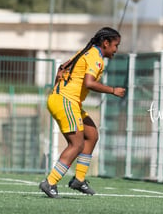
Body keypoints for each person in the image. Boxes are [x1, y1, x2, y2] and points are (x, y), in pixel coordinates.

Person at [39, 27, 126, 198]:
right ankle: (50, 182)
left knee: (92, 135)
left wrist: (61, 77)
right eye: (116, 45)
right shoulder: (96, 58)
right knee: (76, 144)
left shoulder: (87, 51)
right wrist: (112, 90)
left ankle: (78, 179)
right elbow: (89, 83)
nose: (116, 49)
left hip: (67, 101)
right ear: (106, 43)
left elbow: (63, 66)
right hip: (65, 101)